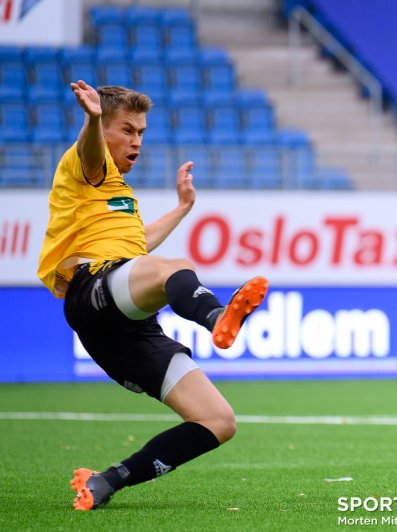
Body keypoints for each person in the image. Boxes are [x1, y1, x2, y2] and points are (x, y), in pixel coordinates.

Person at [37, 80, 269, 510]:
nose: (137, 141)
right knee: (176, 268)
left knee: (218, 421)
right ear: (103, 129)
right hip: (92, 289)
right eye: (127, 129)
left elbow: (135, 250)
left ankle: (108, 480)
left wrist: (182, 209)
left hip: (122, 326)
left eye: (141, 132)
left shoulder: (118, 195)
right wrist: (91, 119)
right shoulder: (88, 164)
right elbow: (90, 152)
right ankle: (218, 319)